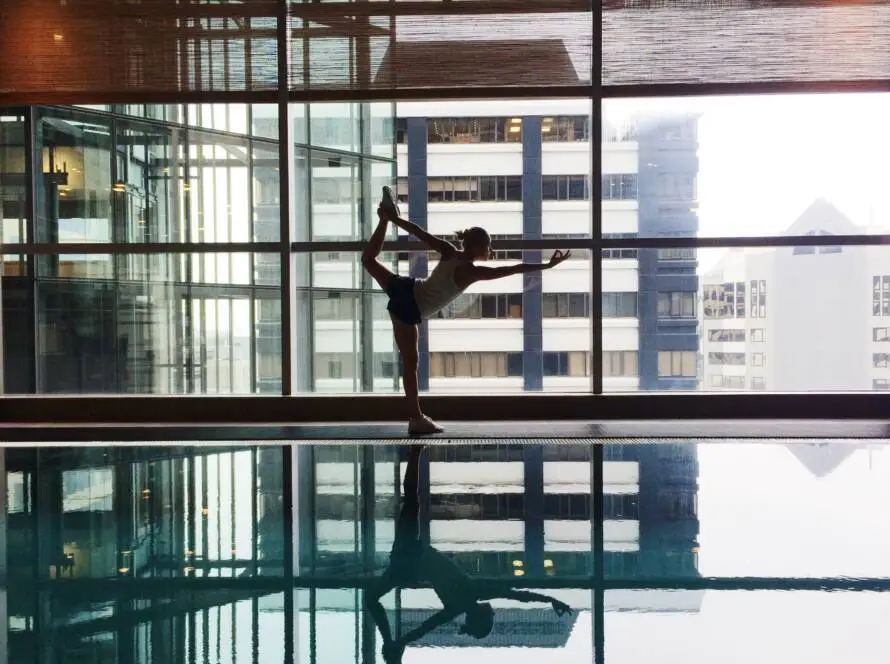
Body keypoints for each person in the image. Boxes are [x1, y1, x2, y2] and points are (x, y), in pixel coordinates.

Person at [363, 186, 571, 434]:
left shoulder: (449, 250)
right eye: (489, 245)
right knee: (411, 363)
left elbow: (419, 233)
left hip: (407, 289)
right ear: (477, 247)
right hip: (410, 305)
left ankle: (385, 217)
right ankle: (415, 418)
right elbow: (512, 269)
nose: (491, 250)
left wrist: (395, 219)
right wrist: (547, 266)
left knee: (368, 260)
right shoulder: (472, 272)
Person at [364, 445, 573, 664]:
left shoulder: (474, 591)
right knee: (371, 598)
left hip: (411, 556)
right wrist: (398, 643)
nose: (492, 612)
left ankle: (416, 452)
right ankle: (388, 643)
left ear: (481, 615)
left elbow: (516, 594)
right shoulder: (456, 607)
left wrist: (550, 599)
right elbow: (423, 629)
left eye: (489, 616)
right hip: (407, 568)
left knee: (412, 502)